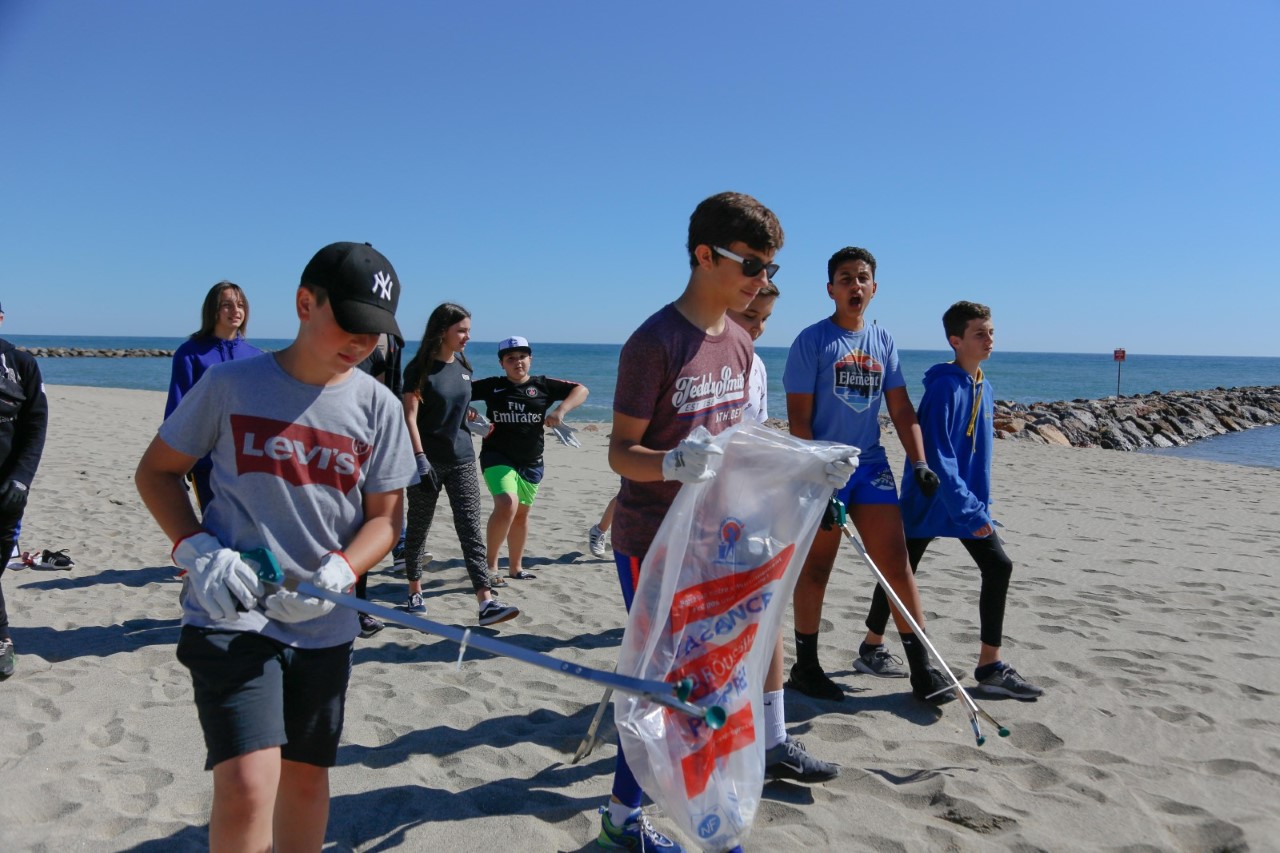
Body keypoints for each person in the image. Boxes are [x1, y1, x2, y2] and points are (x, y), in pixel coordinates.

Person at [134, 241, 417, 850]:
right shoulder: (230, 385)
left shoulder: (380, 408)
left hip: (323, 627)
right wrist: (195, 548)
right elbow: (156, 472)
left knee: (307, 783)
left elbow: (385, 521)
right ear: (304, 303)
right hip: (231, 614)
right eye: (351, 324)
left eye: (377, 332)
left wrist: (344, 569)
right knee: (247, 784)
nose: (363, 343)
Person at [596, 192, 856, 852]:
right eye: (753, 266)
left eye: (769, 269)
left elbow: (744, 445)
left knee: (702, 685)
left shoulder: (740, 342)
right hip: (650, 542)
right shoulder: (653, 343)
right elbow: (620, 452)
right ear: (704, 255)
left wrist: (808, 466)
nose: (763, 281)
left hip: (719, 544)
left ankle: (627, 818)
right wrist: (675, 462)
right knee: (666, 688)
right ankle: (660, 826)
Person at [783, 246, 955, 705]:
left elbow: (900, 407)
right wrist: (816, 473)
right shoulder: (812, 340)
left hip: (871, 467)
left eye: (862, 278)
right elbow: (799, 418)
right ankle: (807, 666)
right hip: (824, 468)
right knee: (818, 567)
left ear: (874, 288)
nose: (854, 285)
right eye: (845, 278)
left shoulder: (884, 341)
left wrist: (919, 463)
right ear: (830, 289)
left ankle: (922, 670)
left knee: (896, 566)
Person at [881, 301, 1043, 699]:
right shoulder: (943, 387)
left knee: (996, 567)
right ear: (956, 341)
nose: (990, 339)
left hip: (967, 501)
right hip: (933, 498)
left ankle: (989, 664)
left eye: (991, 331)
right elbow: (938, 455)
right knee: (902, 571)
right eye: (980, 333)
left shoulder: (984, 386)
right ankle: (871, 645)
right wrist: (971, 510)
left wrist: (977, 503)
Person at [400, 303, 519, 627]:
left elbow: (457, 407)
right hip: (428, 460)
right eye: (462, 330)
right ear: (443, 331)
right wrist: (419, 457)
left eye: (468, 330)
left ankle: (485, 601)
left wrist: (472, 419)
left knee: (469, 530)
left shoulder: (464, 366)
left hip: (463, 458)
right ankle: (414, 589)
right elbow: (409, 416)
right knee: (420, 525)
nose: (467, 336)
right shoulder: (418, 369)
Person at [471, 336, 589, 581]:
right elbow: (455, 392)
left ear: (530, 359)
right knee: (506, 504)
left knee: (522, 513)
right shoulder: (493, 385)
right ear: (502, 364)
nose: (518, 363)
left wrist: (560, 410)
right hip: (497, 456)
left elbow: (581, 389)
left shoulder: (543, 385)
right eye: (510, 359)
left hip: (532, 460)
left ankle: (515, 568)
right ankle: (490, 567)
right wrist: (466, 411)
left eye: (522, 357)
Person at [165, 281, 264, 511]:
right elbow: (177, 409)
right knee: (215, 532)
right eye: (227, 305)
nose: (235, 310)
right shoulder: (190, 354)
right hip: (206, 464)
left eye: (240, 305)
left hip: (249, 466)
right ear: (214, 310)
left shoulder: (256, 358)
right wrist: (175, 466)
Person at [0, 301, 50, 679]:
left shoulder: (21, 364)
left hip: (7, 490)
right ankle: (2, 637)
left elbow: (35, 424)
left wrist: (21, 478)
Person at [352, 333, 404, 638]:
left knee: (360, 529)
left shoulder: (383, 347)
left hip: (365, 450)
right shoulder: (318, 355)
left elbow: (387, 395)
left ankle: (358, 610)